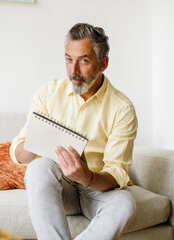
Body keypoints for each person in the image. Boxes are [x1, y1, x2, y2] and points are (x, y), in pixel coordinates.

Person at [10, 23, 138, 240]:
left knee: (126, 204)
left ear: (103, 63)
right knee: (39, 167)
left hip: (96, 187)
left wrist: (86, 176)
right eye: (69, 59)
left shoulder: (122, 108)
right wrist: (34, 142)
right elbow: (18, 154)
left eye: (84, 60)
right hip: (60, 186)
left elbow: (117, 173)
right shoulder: (48, 93)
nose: (73, 71)